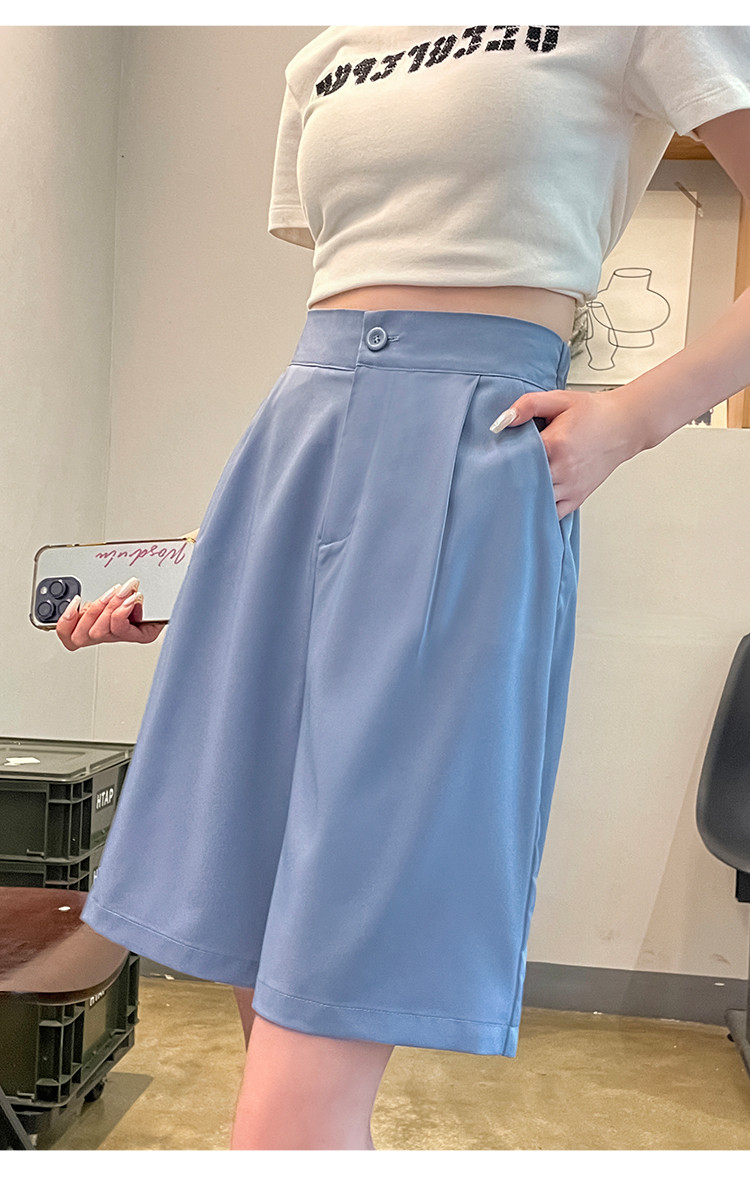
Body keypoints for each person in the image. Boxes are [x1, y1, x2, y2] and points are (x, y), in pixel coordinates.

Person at [55, 26, 750, 1151]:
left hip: (477, 462)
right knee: (268, 990)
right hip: (291, 460)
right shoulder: (325, 52)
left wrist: (633, 418)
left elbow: (417, 372)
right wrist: (213, 571)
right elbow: (345, 366)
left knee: (295, 1085)